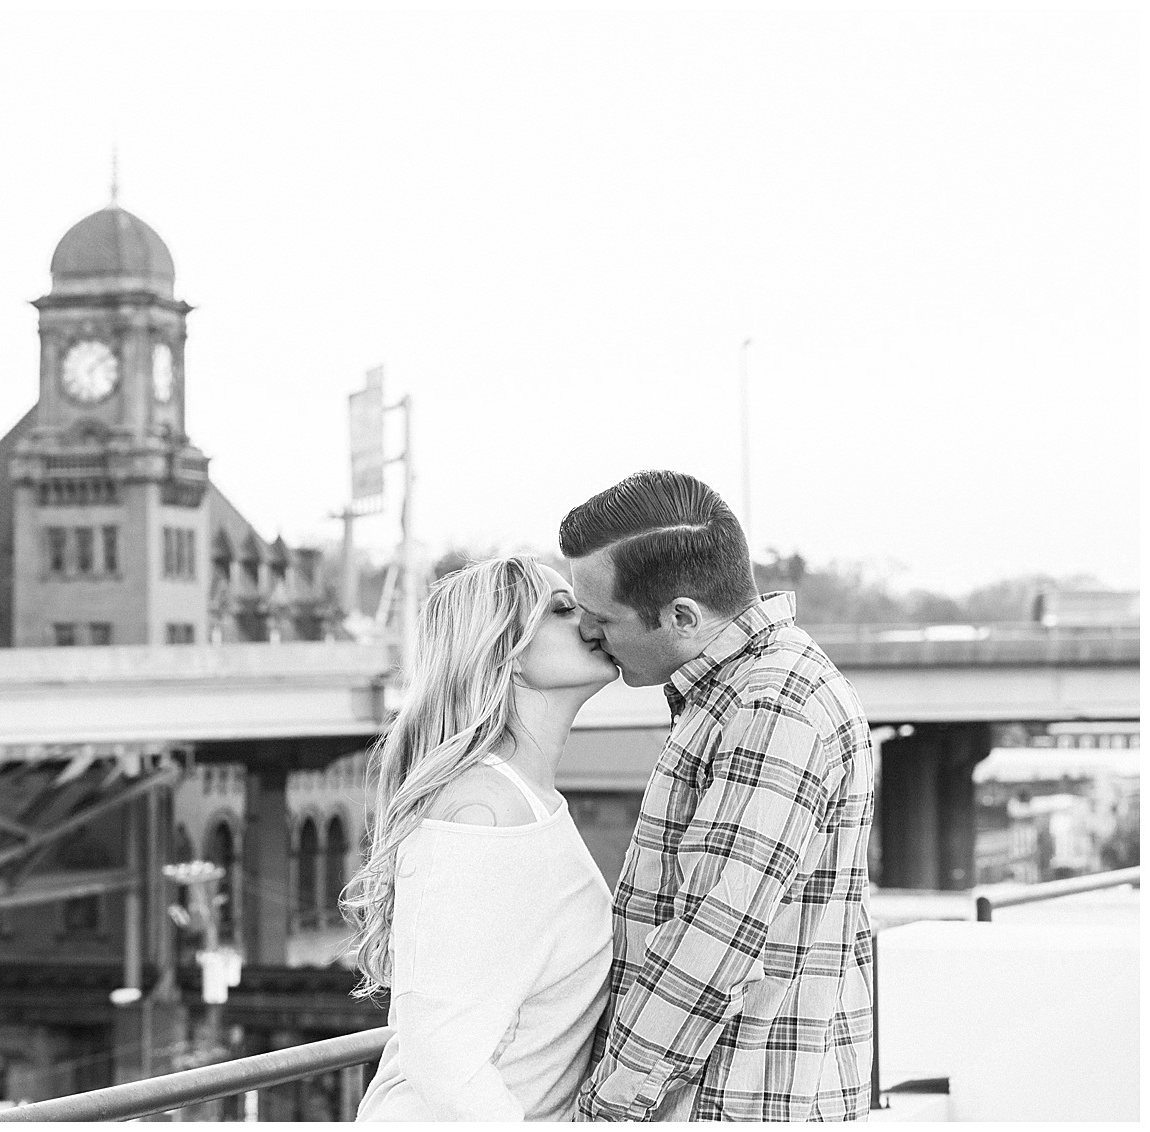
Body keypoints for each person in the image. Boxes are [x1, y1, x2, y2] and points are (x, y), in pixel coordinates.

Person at [561, 470, 875, 1122]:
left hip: (736, 1101)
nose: (589, 634)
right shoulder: (741, 691)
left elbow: (711, 941)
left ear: (681, 616)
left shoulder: (773, 703)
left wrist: (608, 1107)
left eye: (602, 618)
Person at [344, 554, 618, 1121]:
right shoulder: (482, 812)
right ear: (506, 656)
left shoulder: (527, 801)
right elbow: (440, 1055)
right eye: (562, 609)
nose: (589, 619)